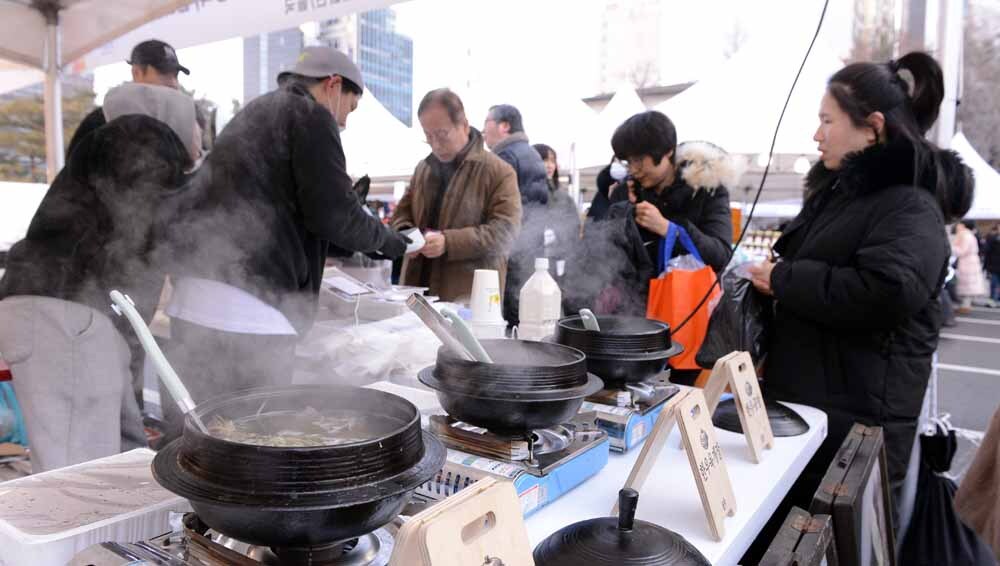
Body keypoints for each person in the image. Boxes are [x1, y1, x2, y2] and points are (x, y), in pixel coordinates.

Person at [743, 51, 974, 562]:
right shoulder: (848, 196)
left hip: (858, 428)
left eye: (827, 121)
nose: (816, 135)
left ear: (872, 128)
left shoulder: (909, 203)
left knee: (842, 549)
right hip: (820, 412)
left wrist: (784, 279)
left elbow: (889, 289)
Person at [161, 46, 409, 439]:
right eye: (350, 108)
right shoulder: (311, 115)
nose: (344, 122)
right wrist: (392, 242)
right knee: (254, 443)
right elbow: (334, 214)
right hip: (253, 316)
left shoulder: (255, 112)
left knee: (193, 446)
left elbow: (288, 212)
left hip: (192, 305)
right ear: (333, 85)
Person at [0, 83, 200, 472]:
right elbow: (171, 224)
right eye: (198, 128)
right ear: (175, 119)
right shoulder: (139, 136)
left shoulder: (115, 151)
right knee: (79, 474)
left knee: (124, 459)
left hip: (71, 319)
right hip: (66, 319)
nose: (200, 141)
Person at [392, 89, 521, 303]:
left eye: (442, 135)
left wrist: (449, 242)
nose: (435, 144)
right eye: (428, 136)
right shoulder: (423, 168)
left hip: (467, 297)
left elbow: (506, 231)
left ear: (464, 125)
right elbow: (401, 214)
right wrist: (407, 236)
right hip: (417, 290)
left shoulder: (499, 171)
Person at [483, 104, 550, 327]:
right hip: (531, 250)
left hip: (510, 252)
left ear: (504, 126)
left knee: (506, 317)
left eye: (487, 123)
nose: (483, 130)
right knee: (526, 318)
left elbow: (499, 211)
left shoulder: (506, 156)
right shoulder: (532, 154)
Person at [67, 39, 190, 157]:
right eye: (163, 73)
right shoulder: (100, 121)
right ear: (137, 72)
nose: (174, 83)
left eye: (176, 75)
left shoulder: (181, 121)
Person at [533, 143, 581, 279]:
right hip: (532, 258)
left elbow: (575, 227)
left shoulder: (563, 196)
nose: (549, 165)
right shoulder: (527, 192)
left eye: (552, 161)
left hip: (559, 258)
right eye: (544, 160)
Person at [953, 220, 987, 312]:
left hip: (967, 262)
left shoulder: (965, 235)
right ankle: (965, 305)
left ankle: (965, 306)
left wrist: (951, 248)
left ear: (963, 225)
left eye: (959, 224)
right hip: (970, 261)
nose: (957, 226)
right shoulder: (968, 235)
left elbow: (962, 250)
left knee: (967, 284)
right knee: (968, 284)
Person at [985, 225, 1000, 303]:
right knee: (993, 283)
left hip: (995, 264)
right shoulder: (993, 238)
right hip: (994, 265)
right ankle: (992, 299)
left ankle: (997, 299)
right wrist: (987, 265)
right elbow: (988, 252)